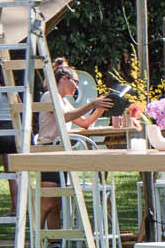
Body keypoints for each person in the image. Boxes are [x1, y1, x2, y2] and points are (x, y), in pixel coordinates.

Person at [30, 62, 113, 232]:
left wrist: (100, 108)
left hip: (60, 152)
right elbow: (64, 118)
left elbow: (84, 123)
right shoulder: (49, 96)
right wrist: (91, 105)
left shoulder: (65, 102)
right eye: (75, 82)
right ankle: (33, 240)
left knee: (56, 203)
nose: (77, 87)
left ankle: (54, 241)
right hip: (49, 152)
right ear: (64, 79)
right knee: (47, 202)